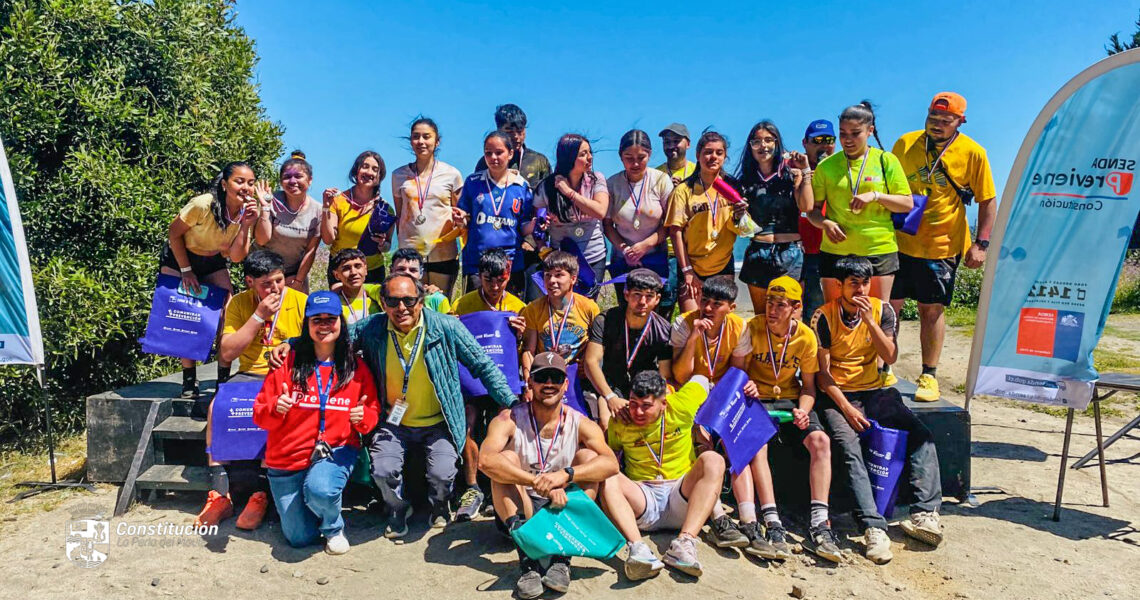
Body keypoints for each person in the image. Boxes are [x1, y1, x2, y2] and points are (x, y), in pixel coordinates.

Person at [812, 256, 944, 565]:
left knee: (920, 434)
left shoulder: (882, 311)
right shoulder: (823, 316)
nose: (860, 289)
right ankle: (873, 527)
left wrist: (870, 321)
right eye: (853, 283)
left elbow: (891, 356)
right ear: (840, 286)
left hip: (873, 390)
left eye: (865, 283)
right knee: (848, 446)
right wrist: (845, 408)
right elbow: (822, 375)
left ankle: (924, 512)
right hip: (837, 395)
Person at [478, 352, 620, 599]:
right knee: (505, 460)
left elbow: (611, 464)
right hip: (520, 504)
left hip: (561, 506)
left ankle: (562, 558)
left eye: (556, 377)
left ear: (566, 384)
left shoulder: (581, 422)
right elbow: (485, 460)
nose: (549, 384)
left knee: (589, 459)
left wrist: (566, 475)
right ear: (530, 382)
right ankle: (528, 561)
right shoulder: (508, 419)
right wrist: (535, 481)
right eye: (542, 377)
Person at [252, 291, 381, 553]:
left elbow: (371, 410)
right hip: (287, 457)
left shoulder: (355, 367)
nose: (324, 326)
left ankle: (333, 526)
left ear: (340, 323)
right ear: (307, 324)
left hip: (335, 451)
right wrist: (276, 408)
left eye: (330, 319)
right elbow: (259, 414)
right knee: (299, 538)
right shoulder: (286, 362)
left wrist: (363, 417)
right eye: (316, 320)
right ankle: (306, 509)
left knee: (320, 489)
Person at [889, 92, 997, 401]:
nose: (937, 125)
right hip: (900, 239)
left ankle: (929, 375)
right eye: (932, 119)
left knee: (931, 310)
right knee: (889, 307)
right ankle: (883, 366)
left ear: (960, 122)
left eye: (945, 121)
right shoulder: (905, 143)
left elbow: (987, 200)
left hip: (943, 244)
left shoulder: (973, 152)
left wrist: (982, 244)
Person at [727, 276, 841, 563]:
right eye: (769, 303)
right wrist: (746, 384)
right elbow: (736, 371)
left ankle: (820, 522)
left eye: (780, 305)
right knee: (758, 446)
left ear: (795, 307)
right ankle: (772, 520)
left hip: (790, 401)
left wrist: (803, 409)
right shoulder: (750, 328)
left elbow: (809, 387)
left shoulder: (805, 336)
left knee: (820, 441)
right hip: (757, 400)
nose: (772, 310)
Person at [196, 250, 308, 530]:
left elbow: (314, 343)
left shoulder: (300, 301)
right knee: (216, 408)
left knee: (279, 407)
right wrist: (258, 316)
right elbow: (226, 353)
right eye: (266, 284)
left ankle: (260, 495)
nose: (275, 289)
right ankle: (220, 494)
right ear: (249, 282)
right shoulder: (240, 305)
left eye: (279, 281)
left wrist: (290, 347)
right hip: (248, 374)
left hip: (288, 373)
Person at [600, 371, 725, 579]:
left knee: (713, 460)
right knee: (608, 473)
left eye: (646, 405)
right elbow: (611, 454)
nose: (638, 412)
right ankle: (638, 549)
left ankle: (684, 543)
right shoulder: (620, 421)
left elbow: (702, 379)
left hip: (681, 496)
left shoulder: (681, 404)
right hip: (643, 499)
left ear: (664, 403)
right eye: (633, 403)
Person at [161, 161, 259, 399]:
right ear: (225, 184)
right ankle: (188, 380)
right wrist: (186, 270)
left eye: (251, 183)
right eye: (239, 181)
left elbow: (236, 257)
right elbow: (173, 233)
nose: (245, 187)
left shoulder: (248, 212)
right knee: (189, 315)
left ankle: (223, 379)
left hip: (213, 260)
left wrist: (246, 225)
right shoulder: (203, 204)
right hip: (179, 257)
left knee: (227, 312)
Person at [808, 102, 913, 305]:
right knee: (835, 317)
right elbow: (812, 211)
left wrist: (875, 196)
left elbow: (907, 203)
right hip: (836, 251)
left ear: (870, 131)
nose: (848, 140)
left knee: (876, 315)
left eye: (855, 133)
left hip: (878, 249)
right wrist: (825, 223)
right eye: (843, 133)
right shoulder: (826, 166)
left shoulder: (886, 160)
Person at [450, 248, 528, 521]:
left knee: (503, 425)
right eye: (488, 280)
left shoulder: (518, 306)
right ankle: (472, 488)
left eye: (501, 280)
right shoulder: (462, 305)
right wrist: (453, 325)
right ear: (479, 277)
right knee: (467, 424)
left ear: (509, 276)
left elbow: (521, 352)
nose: (495, 287)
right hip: (471, 382)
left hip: (504, 382)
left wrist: (519, 336)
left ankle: (499, 484)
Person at [665, 131, 750, 314]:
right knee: (692, 321)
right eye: (708, 152)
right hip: (692, 267)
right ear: (698, 155)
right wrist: (687, 271)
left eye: (719, 153)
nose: (713, 157)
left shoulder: (734, 187)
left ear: (725, 156)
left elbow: (745, 229)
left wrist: (739, 216)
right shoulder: (684, 190)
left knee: (718, 323)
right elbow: (675, 232)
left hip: (723, 266)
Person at [736, 121, 815, 311]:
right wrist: (738, 215)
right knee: (762, 317)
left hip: (790, 253)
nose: (763, 146)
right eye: (757, 141)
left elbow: (807, 206)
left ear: (777, 143)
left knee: (791, 315)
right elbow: (741, 229)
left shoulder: (791, 175)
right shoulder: (744, 181)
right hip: (758, 252)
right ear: (750, 147)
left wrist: (805, 171)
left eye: (768, 140)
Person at [582, 269, 672, 429]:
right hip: (611, 385)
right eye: (637, 294)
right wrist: (610, 397)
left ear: (657, 299)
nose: (642, 301)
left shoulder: (664, 329)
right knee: (607, 423)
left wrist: (649, 402)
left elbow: (664, 375)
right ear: (626, 294)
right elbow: (591, 362)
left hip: (643, 388)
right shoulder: (606, 320)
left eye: (649, 296)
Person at [453, 131, 536, 294]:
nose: (494, 158)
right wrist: (460, 219)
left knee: (509, 315)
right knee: (475, 315)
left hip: (510, 263)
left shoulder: (522, 187)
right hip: (477, 264)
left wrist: (535, 224)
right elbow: (465, 220)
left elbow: (523, 226)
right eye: (488, 153)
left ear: (510, 153)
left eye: (499, 152)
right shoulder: (473, 182)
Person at [605, 130, 677, 317]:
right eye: (629, 157)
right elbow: (607, 225)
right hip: (623, 259)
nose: (635, 163)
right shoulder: (612, 184)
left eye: (641, 157)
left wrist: (645, 246)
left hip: (655, 258)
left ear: (650, 155)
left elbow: (669, 223)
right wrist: (624, 249)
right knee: (626, 312)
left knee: (656, 313)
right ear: (620, 157)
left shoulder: (661, 180)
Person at [391, 117, 465, 297]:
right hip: (409, 256)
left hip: (443, 253)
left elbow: (461, 214)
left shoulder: (452, 174)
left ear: (436, 141)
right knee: (411, 304)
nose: (421, 142)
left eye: (427, 137)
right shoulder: (398, 175)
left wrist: (461, 221)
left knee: (439, 305)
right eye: (416, 137)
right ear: (410, 141)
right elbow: (400, 215)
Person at [534, 134, 609, 298]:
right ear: (569, 158)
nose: (589, 158)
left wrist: (569, 192)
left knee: (587, 307)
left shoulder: (597, 180)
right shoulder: (547, 186)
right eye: (583, 154)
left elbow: (600, 211)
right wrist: (543, 250)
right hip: (561, 260)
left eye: (590, 153)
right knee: (563, 308)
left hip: (593, 258)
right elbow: (535, 225)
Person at [520, 250, 600, 375]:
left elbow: (598, 345)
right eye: (547, 275)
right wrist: (528, 382)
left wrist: (588, 360)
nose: (551, 280)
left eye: (558, 275)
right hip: (546, 374)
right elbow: (529, 351)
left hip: (579, 377)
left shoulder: (589, 308)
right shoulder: (533, 309)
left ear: (573, 279)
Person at [253, 150, 321, 293]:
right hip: (263, 273)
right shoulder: (271, 200)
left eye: (298, 176)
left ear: (310, 180)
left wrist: (298, 281)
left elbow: (311, 251)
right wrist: (265, 207)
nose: (292, 181)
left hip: (294, 274)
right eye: (287, 177)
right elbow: (261, 240)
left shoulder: (318, 211)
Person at [321, 150, 391, 286]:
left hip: (373, 271)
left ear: (379, 176)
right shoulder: (338, 201)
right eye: (365, 166)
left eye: (375, 169)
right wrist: (325, 208)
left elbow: (387, 245)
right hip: (342, 270)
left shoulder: (385, 209)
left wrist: (382, 244)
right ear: (356, 171)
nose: (369, 172)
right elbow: (328, 239)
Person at [670, 275, 746, 385]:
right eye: (704, 300)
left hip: (722, 388)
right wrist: (692, 339)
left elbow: (735, 376)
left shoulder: (739, 327)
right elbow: (681, 377)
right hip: (690, 387)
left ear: (731, 308)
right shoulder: (683, 323)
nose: (707, 308)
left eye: (717, 304)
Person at [799, 120, 837, 319]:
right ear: (805, 143)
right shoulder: (796, 168)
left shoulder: (842, 167)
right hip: (804, 251)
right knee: (808, 310)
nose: (824, 145)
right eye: (817, 140)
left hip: (835, 248)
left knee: (833, 309)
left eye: (829, 140)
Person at [474, 103, 552, 188]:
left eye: (520, 131)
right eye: (509, 132)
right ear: (498, 131)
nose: (515, 137)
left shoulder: (539, 162)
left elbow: (549, 195)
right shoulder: (486, 163)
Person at [390, 247, 452, 313]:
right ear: (391, 271)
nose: (407, 273)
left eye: (413, 270)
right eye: (401, 269)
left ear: (421, 273)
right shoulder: (382, 294)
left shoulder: (437, 300)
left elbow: (448, 322)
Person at [330, 248, 382, 325]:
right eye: (346, 268)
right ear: (336, 275)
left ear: (365, 269)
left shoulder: (378, 298)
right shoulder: (333, 304)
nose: (353, 272)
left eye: (358, 266)